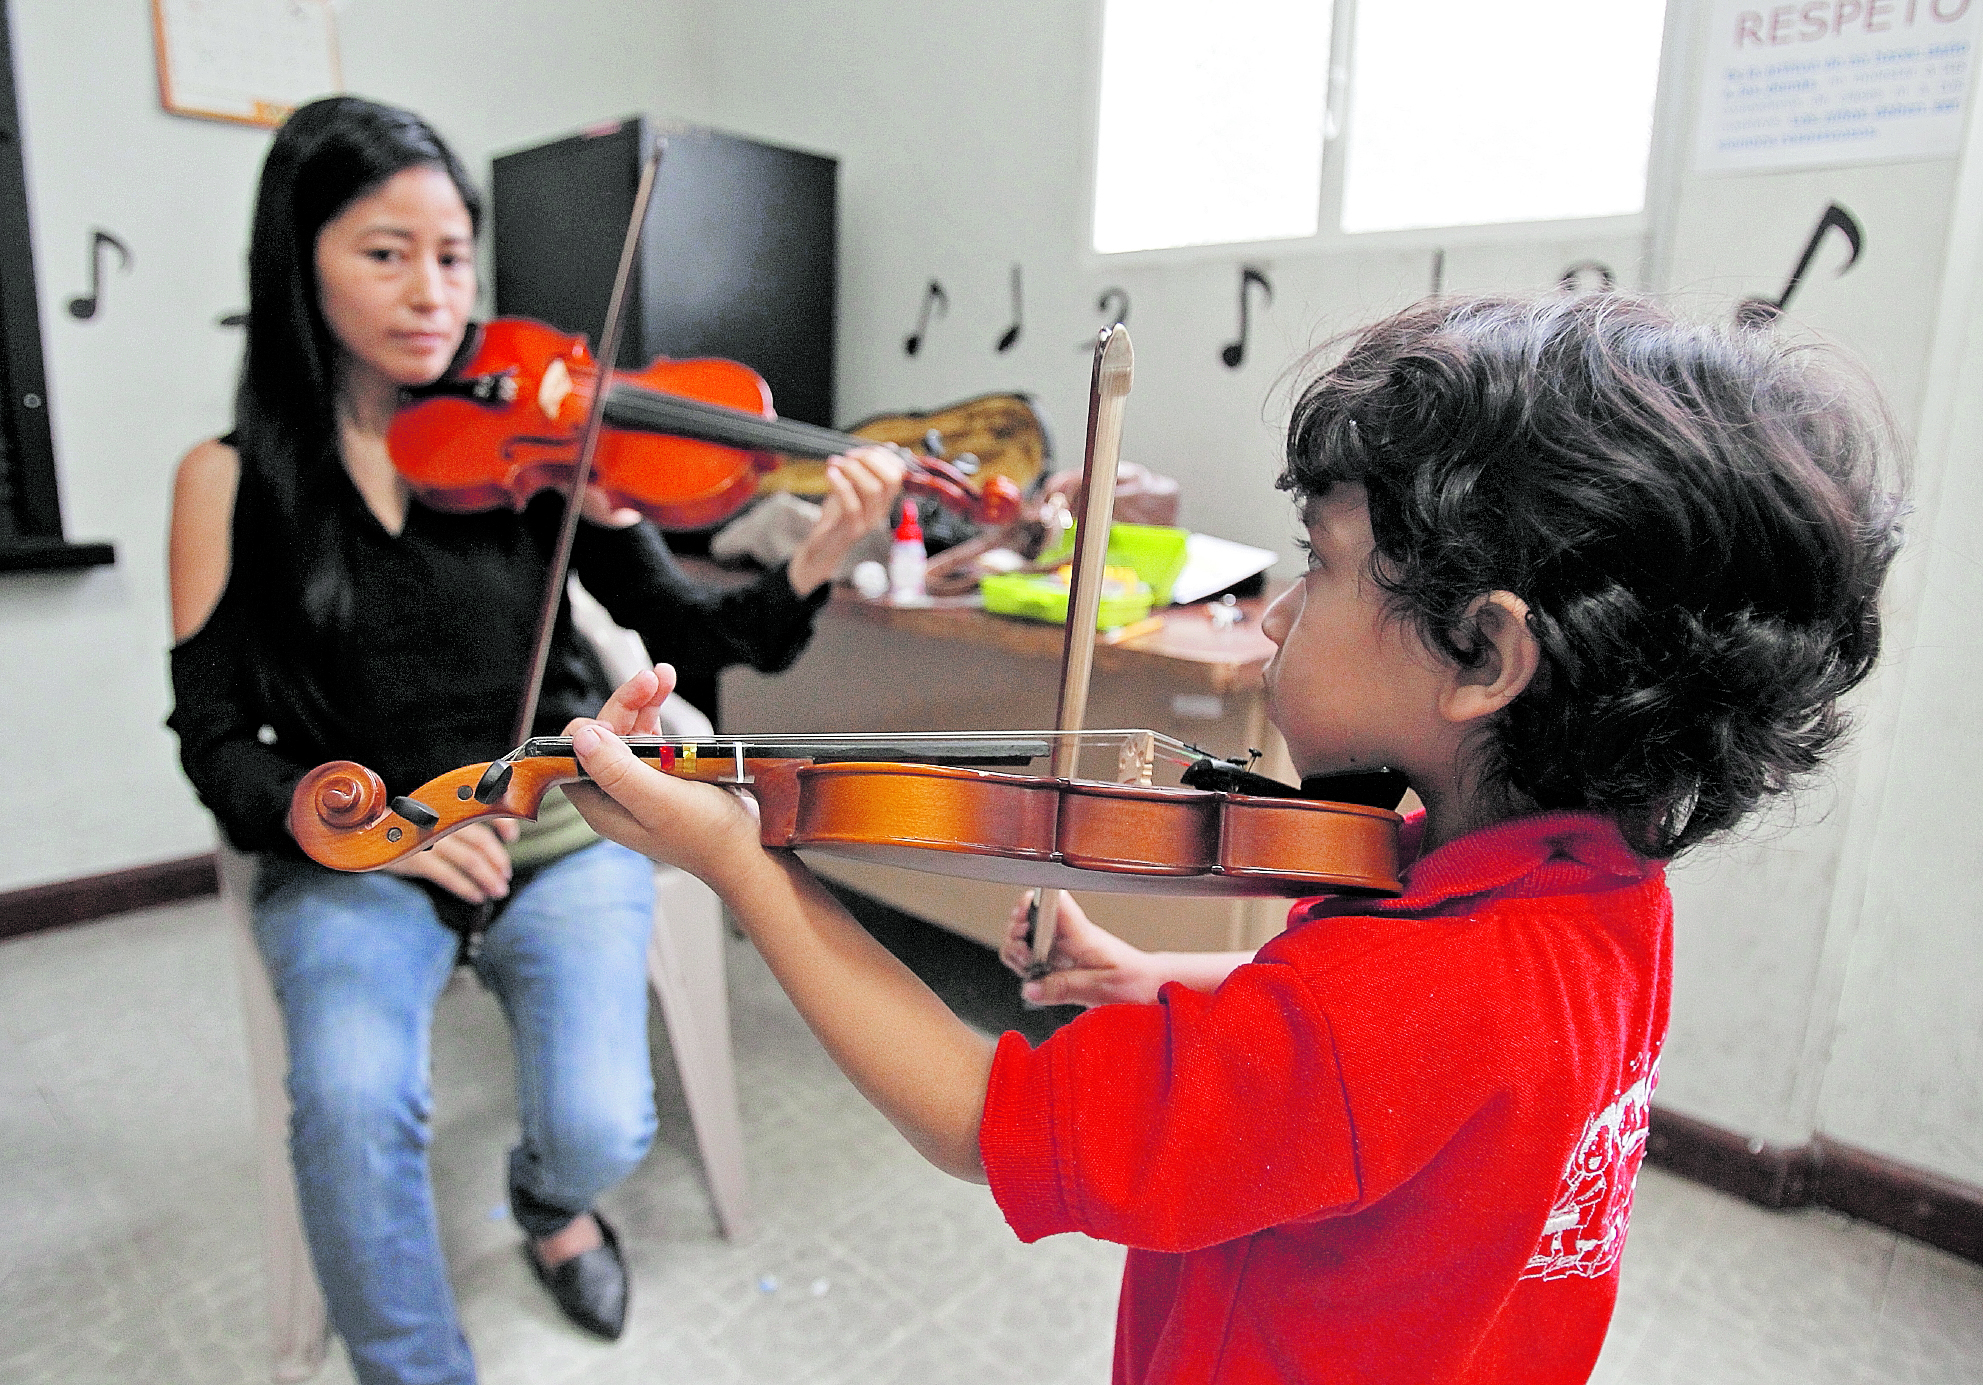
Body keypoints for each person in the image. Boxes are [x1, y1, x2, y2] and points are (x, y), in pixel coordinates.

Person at [552, 292, 1903, 1383]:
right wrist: (1160, 982)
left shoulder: (1405, 1002)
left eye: (1319, 564)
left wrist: (741, 862)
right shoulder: (1605, 894)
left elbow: (976, 1116)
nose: (1275, 613)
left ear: (1486, 655)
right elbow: (1421, 1089)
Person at [165, 96, 900, 1385]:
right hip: (359, 849)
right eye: (385, 252)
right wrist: (375, 838)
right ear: (299, 259)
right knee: (349, 1101)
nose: (432, 292)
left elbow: (705, 632)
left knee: (604, 1123)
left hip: (557, 821)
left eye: (454, 255)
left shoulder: (542, 444)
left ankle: (551, 1200)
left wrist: (823, 552)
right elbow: (218, 744)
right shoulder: (227, 482)